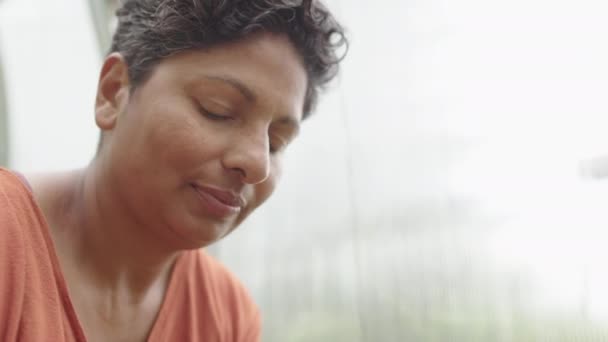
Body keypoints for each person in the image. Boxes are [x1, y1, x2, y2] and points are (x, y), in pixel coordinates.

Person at [0, 0, 347, 341]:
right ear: (114, 92)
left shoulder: (226, 316)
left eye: (276, 142)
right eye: (217, 110)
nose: (257, 163)